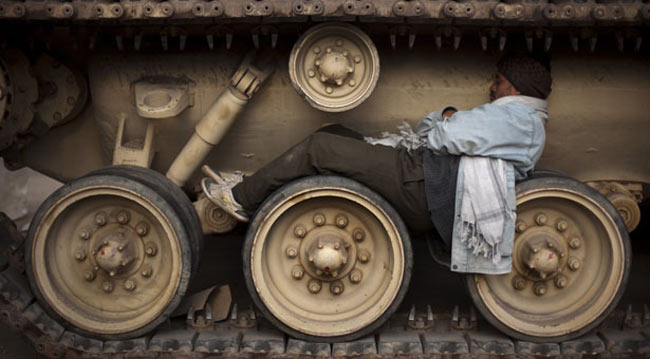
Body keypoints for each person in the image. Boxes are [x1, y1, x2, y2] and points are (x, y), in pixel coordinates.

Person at [202, 53, 551, 274]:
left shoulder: (516, 117)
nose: (492, 87)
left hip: (423, 185)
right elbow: (438, 131)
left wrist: (446, 118)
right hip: (424, 178)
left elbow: (441, 135)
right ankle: (265, 192)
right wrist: (445, 121)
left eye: (499, 81)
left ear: (516, 89)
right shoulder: (515, 119)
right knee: (335, 132)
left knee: (321, 148)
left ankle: (242, 199)